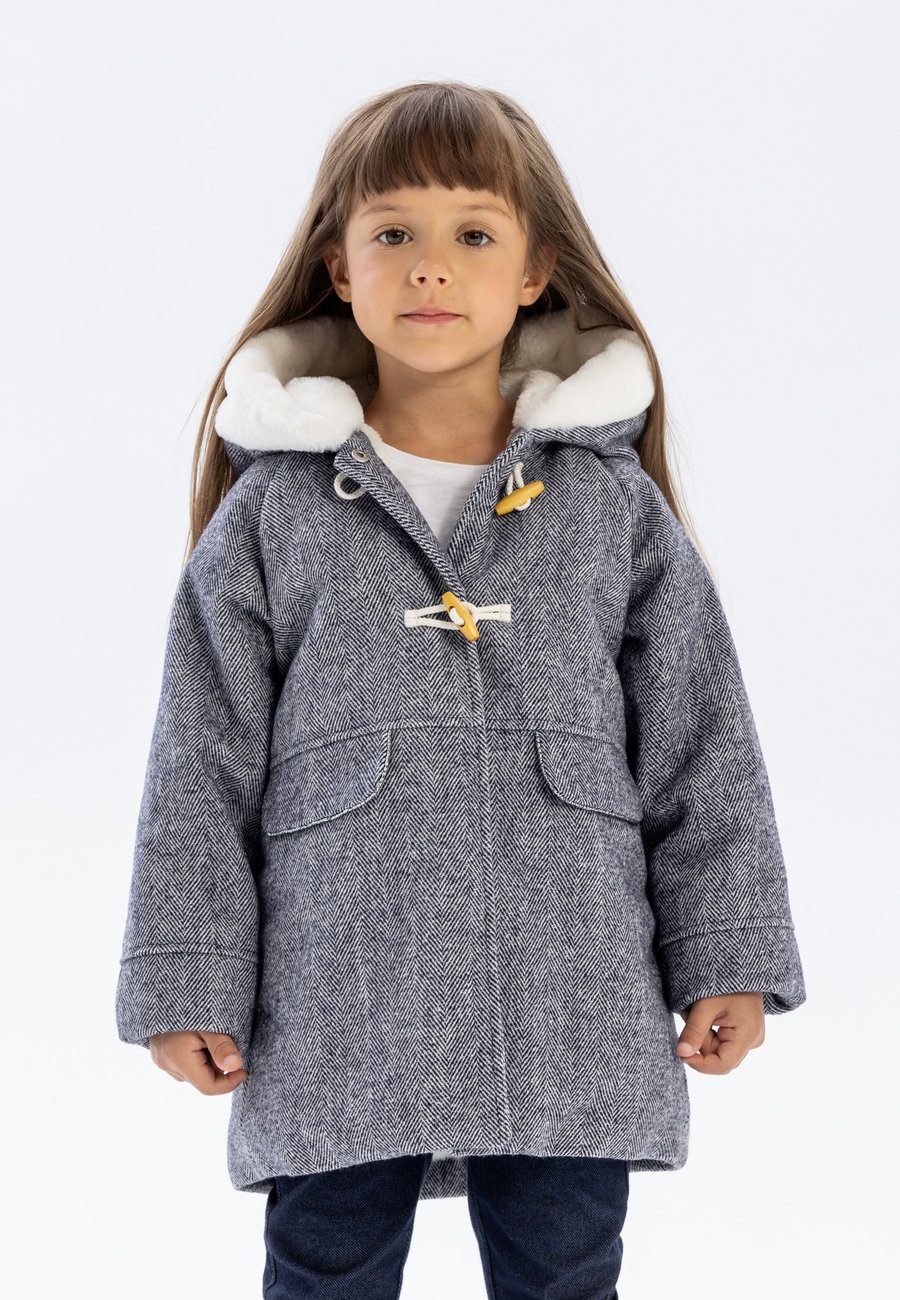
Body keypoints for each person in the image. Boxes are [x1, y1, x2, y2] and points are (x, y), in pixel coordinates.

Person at [115, 80, 807, 1300]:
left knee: (565, 1270)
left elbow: (701, 740)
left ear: (535, 270)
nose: (431, 266)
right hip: (341, 986)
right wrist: (188, 976)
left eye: (474, 233)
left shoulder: (607, 505)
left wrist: (727, 951)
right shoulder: (274, 512)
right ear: (339, 267)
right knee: (324, 1269)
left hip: (571, 982)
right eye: (394, 233)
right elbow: (199, 766)